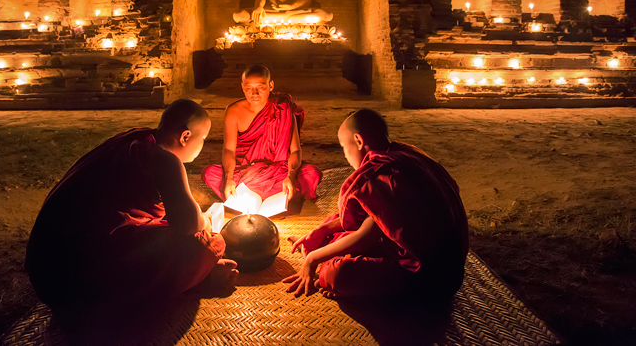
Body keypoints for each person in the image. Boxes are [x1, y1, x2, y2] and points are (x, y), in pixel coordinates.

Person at [25, 99, 238, 315]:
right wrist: (207, 220)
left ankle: (196, 276)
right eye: (203, 139)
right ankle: (201, 278)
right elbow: (189, 226)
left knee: (169, 228)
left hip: (43, 268)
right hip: (76, 283)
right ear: (185, 136)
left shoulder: (134, 138)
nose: (203, 145)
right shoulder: (163, 159)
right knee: (207, 244)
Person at [283, 109, 469, 300]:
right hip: (452, 269)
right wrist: (321, 230)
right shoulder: (409, 154)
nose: (346, 156)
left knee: (334, 273)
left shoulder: (382, 173)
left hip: (429, 277)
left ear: (359, 141)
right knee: (336, 223)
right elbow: (373, 218)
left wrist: (313, 260)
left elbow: (366, 236)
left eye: (344, 147)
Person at [202, 64, 322, 202]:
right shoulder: (233, 112)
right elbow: (229, 150)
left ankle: (250, 197)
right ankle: (281, 198)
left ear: (271, 85)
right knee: (210, 173)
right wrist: (229, 178)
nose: (254, 94)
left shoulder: (283, 107)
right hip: (245, 172)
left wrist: (291, 176)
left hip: (279, 172)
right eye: (248, 88)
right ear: (242, 87)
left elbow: (295, 151)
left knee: (312, 174)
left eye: (261, 87)